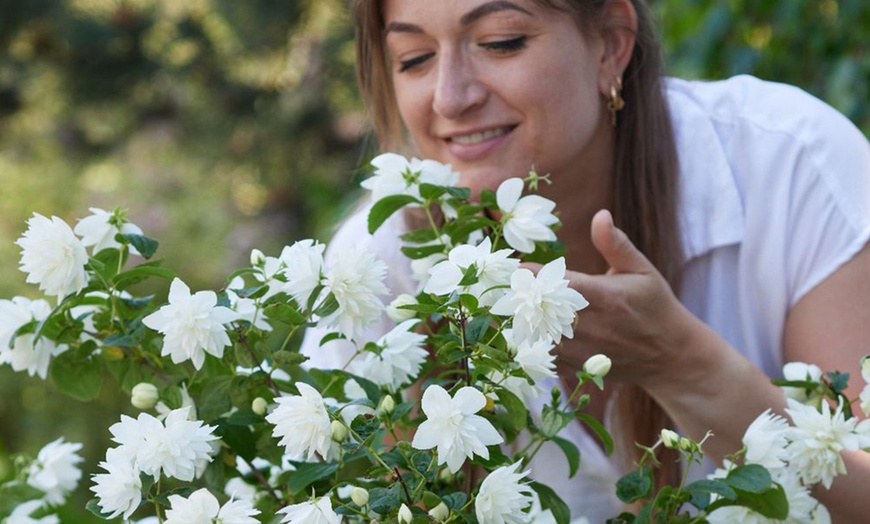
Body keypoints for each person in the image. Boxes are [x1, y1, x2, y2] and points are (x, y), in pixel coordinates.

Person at [304, 0, 870, 521]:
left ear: (611, 45)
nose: (450, 98)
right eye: (415, 58)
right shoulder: (374, 265)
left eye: (501, 42)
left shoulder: (790, 164)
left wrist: (680, 364)